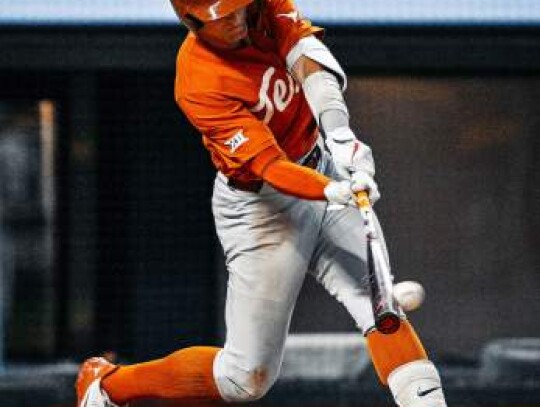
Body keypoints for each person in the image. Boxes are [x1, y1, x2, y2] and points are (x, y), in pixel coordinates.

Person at [76, 1, 448, 407]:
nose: (239, 20)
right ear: (192, 19)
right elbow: (271, 167)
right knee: (245, 378)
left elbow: (308, 59)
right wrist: (329, 191)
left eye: (241, 8)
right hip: (262, 210)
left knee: (380, 306)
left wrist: (340, 134)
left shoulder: (263, 9)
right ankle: (108, 384)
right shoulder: (197, 81)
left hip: (320, 164)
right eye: (224, 16)